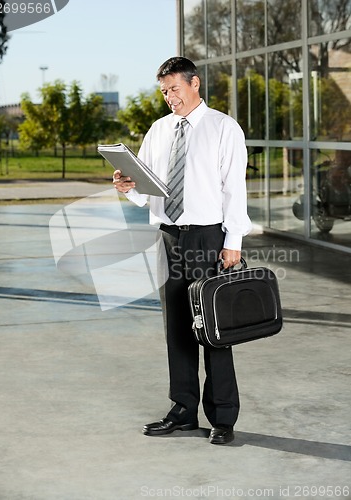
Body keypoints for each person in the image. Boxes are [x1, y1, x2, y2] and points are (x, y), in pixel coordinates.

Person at [113, 57, 252, 445]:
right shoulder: (158, 130)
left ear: (195, 83)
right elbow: (148, 185)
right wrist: (129, 186)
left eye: (174, 89)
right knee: (177, 327)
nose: (169, 97)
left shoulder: (224, 128)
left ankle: (223, 417)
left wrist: (233, 243)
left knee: (213, 328)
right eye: (163, 92)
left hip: (208, 238)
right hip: (168, 237)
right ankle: (184, 410)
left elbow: (234, 190)